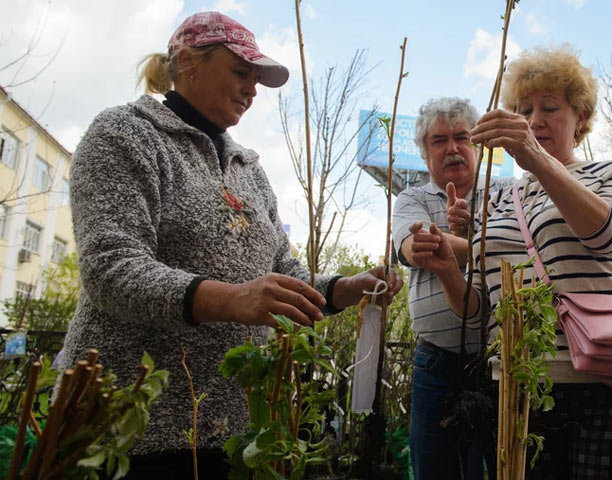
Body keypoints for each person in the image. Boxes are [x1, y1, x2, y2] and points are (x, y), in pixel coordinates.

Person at [59, 11, 401, 479]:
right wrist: (233, 299)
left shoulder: (248, 169)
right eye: (241, 72)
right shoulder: (125, 134)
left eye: (257, 79)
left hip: (234, 428)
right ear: (188, 62)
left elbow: (286, 274)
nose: (252, 89)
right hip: (132, 427)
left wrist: (346, 288)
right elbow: (110, 268)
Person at [406, 46, 612, 479]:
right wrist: (450, 267)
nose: (535, 119)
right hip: (520, 387)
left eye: (549, 107)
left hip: (605, 384)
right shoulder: (503, 197)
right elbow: (480, 311)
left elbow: (609, 233)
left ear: (580, 117)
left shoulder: (609, 174)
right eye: (524, 109)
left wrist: (537, 160)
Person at [392, 97, 504, 479]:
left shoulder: (504, 193)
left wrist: (465, 239)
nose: (453, 148)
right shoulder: (413, 198)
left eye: (462, 137)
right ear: (425, 154)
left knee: (507, 463)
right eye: (440, 140)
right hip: (435, 363)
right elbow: (414, 247)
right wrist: (478, 246)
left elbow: (520, 252)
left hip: (500, 362)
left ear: (479, 146)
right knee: (434, 466)